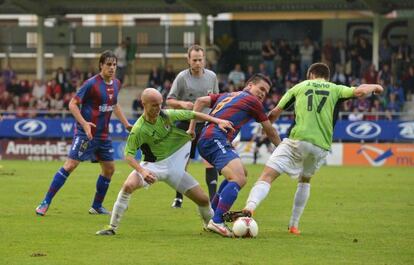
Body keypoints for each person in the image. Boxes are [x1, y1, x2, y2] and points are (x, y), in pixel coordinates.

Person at [232, 63, 383, 235]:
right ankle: (294, 225)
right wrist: (376, 86)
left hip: (298, 140)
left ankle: (249, 208)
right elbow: (360, 91)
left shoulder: (299, 86)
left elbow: (274, 113)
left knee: (267, 176)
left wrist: (264, 129)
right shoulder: (336, 89)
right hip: (321, 146)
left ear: (311, 74)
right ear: (327, 76)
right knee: (305, 180)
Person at [95, 88, 234, 235]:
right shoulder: (139, 129)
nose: (158, 108)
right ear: (144, 104)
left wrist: (218, 120)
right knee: (128, 186)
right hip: (152, 167)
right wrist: (142, 171)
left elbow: (193, 114)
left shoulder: (166, 115)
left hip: (174, 167)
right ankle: (112, 228)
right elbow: (128, 155)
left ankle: (210, 226)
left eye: (160, 104)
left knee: (204, 200)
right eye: (154, 105)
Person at [35, 50, 133, 216]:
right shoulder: (91, 84)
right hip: (85, 134)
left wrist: (126, 124)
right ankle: (45, 202)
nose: (112, 67)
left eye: (114, 64)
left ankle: (96, 206)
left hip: (103, 136)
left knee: (109, 169)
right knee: (70, 165)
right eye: (108, 64)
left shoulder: (116, 83)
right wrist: (85, 124)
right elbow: (73, 104)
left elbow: (114, 105)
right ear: (101, 65)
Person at [188, 73, 282, 237]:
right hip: (214, 138)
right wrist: (283, 150)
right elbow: (270, 130)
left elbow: (200, 101)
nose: (262, 94)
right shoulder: (251, 100)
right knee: (238, 178)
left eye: (265, 93)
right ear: (250, 85)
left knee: (242, 173)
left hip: (210, 138)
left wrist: (192, 128)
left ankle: (213, 213)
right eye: (261, 89)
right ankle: (217, 221)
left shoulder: (228, 95)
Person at [166, 44, 219, 208]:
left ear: (204, 60)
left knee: (210, 161)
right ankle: (178, 197)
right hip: (185, 123)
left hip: (206, 123)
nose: (197, 63)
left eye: (200, 60)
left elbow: (216, 99)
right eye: (194, 60)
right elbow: (169, 100)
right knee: (183, 162)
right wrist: (182, 103)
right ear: (188, 60)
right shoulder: (182, 77)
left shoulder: (212, 77)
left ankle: (212, 200)